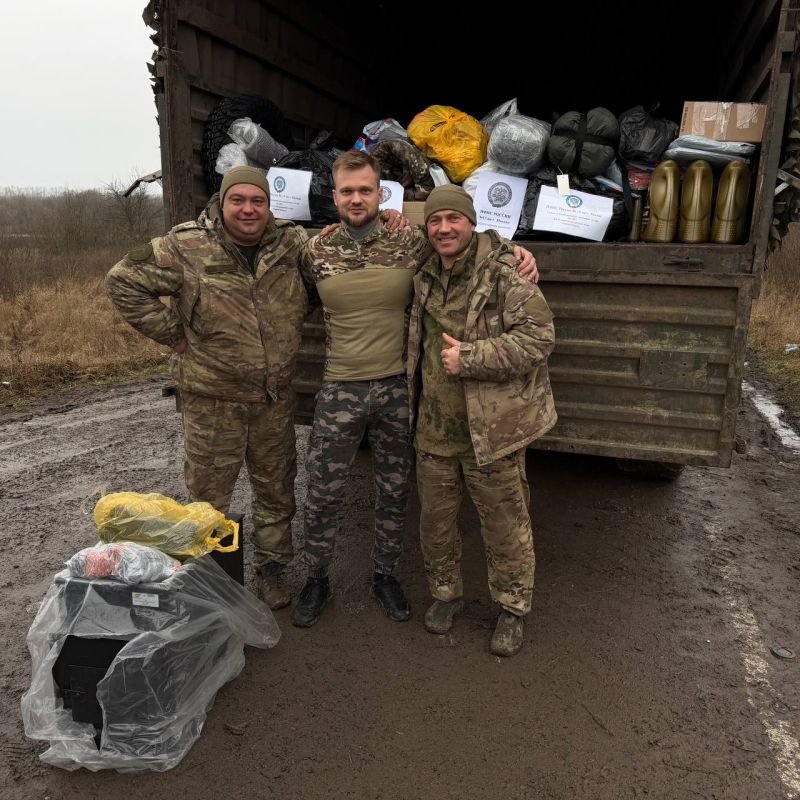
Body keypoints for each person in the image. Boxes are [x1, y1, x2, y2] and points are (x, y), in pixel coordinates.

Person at [292, 152, 539, 629]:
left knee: (393, 490)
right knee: (323, 490)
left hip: (396, 390)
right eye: (347, 191)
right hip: (339, 387)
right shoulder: (314, 251)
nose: (357, 198)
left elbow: (464, 244)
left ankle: (384, 575)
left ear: (381, 193)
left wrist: (517, 251)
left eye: (366, 189)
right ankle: (316, 577)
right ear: (335, 195)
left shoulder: (409, 240)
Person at [106, 166, 311, 610]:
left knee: (277, 491)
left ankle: (272, 569)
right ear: (221, 202)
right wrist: (174, 334)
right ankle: (213, 580)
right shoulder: (185, 245)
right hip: (212, 400)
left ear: (269, 206)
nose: (248, 209)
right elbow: (122, 281)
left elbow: (332, 267)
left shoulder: (290, 243)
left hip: (273, 399)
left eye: (257, 201)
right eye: (238, 199)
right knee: (209, 497)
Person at [406, 185, 556, 657]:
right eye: (435, 221)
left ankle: (512, 608)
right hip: (433, 426)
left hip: (492, 429)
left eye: (453, 219)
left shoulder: (504, 271)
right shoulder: (423, 271)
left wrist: (471, 357)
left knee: (505, 523)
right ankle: (445, 595)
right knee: (435, 522)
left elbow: (539, 338)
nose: (444, 228)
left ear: (471, 222)